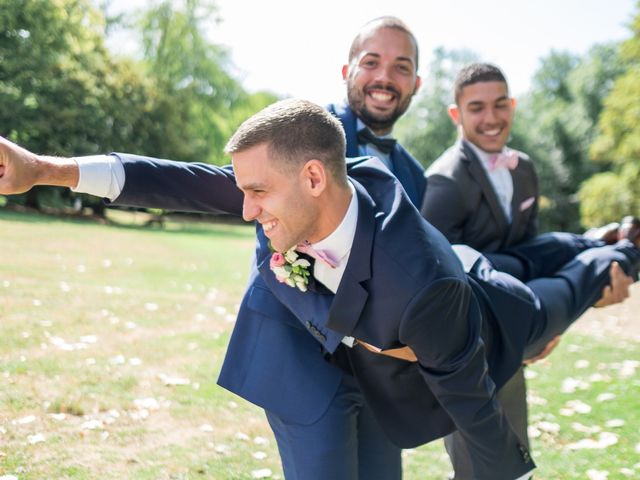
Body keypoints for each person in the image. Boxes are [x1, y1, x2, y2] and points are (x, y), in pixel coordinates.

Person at [1, 99, 638, 480]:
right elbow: (176, 181)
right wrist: (43, 171)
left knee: (563, 295)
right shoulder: (299, 179)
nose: (245, 210)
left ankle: (619, 251)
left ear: (312, 178)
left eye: (255, 195)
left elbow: (471, 405)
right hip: (327, 353)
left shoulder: (418, 287)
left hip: (474, 313)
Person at [420, 62, 633, 478]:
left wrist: (540, 326)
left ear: (513, 106)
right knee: (487, 461)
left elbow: (529, 251)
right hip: (472, 340)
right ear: (455, 115)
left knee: (513, 450)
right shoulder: (443, 183)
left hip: (515, 314)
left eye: (500, 104)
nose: (491, 118)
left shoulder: (526, 170)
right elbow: (436, 279)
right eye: (477, 107)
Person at [327, 16, 425, 207]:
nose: (384, 77)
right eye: (371, 63)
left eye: (401, 67)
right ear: (346, 73)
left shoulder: (417, 177)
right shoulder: (305, 135)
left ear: (416, 84)